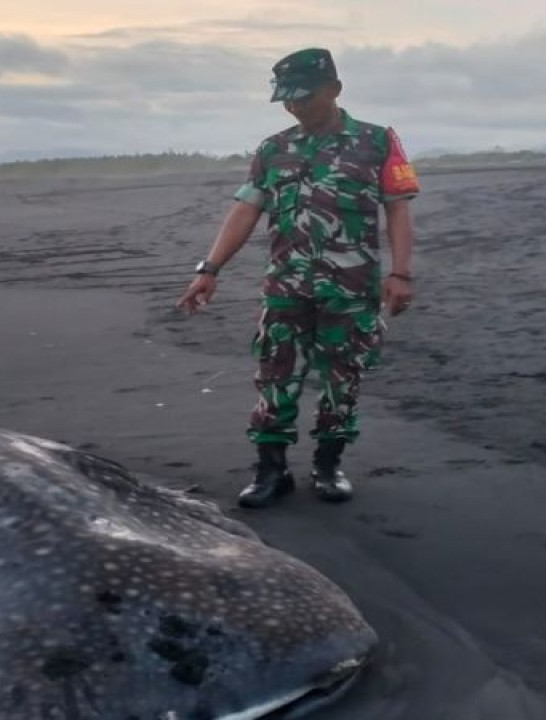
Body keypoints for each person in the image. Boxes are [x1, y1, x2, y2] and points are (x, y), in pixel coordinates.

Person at [176, 47, 420, 509]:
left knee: (342, 377)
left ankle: (329, 465)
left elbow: (398, 210)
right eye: (287, 99)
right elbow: (246, 209)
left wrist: (402, 274)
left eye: (305, 97)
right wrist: (210, 269)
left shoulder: (377, 141)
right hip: (286, 287)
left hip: (350, 289)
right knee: (275, 374)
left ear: (335, 89)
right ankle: (271, 470)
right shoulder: (273, 149)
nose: (296, 107)